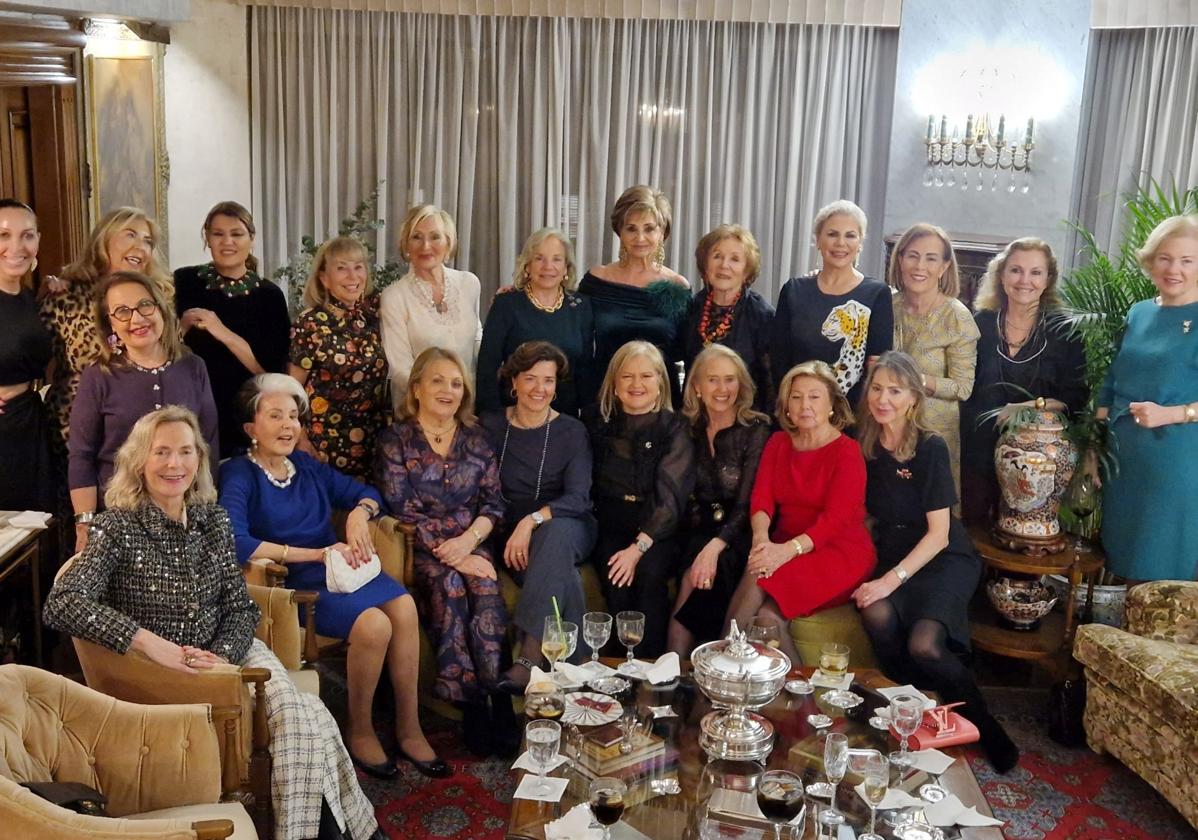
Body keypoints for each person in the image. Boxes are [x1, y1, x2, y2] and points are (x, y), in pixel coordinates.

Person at [43, 406, 382, 840]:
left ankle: (327, 832)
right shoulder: (116, 529)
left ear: (199, 461)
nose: (174, 464)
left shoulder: (213, 520)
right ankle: (353, 831)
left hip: (229, 652)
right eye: (161, 452)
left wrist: (222, 653)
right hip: (167, 671)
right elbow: (63, 602)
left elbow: (240, 608)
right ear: (139, 461)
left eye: (185, 452)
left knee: (307, 717)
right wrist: (149, 642)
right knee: (308, 717)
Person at [218, 373, 448, 779]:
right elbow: (237, 541)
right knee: (374, 624)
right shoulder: (239, 473)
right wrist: (317, 553)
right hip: (291, 584)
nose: (289, 425)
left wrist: (359, 515)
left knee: (405, 606)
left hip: (339, 571)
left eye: (294, 416)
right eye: (276, 416)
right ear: (251, 428)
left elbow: (370, 493)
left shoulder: (306, 466)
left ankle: (408, 726)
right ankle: (359, 730)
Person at [852, 351, 1018, 772]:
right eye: (876, 388)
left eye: (895, 390)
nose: (883, 398)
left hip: (942, 557)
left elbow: (940, 534)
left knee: (924, 645)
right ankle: (915, 711)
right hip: (893, 553)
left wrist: (890, 580)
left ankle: (985, 726)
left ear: (912, 398)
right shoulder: (862, 445)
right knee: (874, 614)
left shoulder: (930, 447)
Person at [374, 347, 510, 756]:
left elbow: (494, 504)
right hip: (420, 546)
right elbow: (402, 507)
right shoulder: (395, 440)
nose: (448, 390)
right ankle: (468, 704)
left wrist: (469, 544)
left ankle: (497, 694)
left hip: (471, 540)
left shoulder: (477, 439)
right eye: (437, 380)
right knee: (450, 583)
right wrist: (452, 554)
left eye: (456, 383)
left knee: (485, 586)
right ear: (416, 388)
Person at [725, 360, 875, 667]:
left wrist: (784, 552)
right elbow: (762, 498)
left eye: (814, 396)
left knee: (758, 575)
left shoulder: (847, 452)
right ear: (787, 406)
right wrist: (761, 539)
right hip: (783, 545)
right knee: (766, 617)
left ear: (832, 404)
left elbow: (834, 521)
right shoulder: (778, 442)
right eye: (796, 397)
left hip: (839, 552)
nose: (805, 405)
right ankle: (800, 705)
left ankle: (720, 665)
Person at [68, 271, 218, 552]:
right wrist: (85, 525)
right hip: (118, 521)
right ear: (109, 324)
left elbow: (207, 445)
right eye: (122, 312)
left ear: (161, 308)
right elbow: (81, 456)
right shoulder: (98, 376)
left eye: (145, 305)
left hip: (184, 517)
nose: (137, 319)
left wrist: (205, 515)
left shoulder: (193, 367)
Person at [478, 341, 597, 693]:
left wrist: (532, 521)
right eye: (530, 379)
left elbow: (578, 497)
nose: (540, 389)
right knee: (566, 578)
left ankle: (528, 658)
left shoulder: (572, 431)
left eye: (548, 380)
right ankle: (573, 673)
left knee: (555, 534)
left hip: (568, 523)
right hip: (507, 533)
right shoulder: (490, 426)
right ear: (513, 382)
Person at [1093, 215, 1198, 582]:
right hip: (1122, 460)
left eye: (1187, 260)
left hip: (1175, 463)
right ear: (1151, 260)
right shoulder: (1139, 312)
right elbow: (1112, 382)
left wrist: (1172, 414)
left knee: (1160, 572)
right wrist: (1095, 445)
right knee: (1117, 563)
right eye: (1166, 258)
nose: (1174, 269)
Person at [960, 238, 1087, 525]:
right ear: (1001, 275)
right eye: (1016, 270)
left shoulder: (1064, 331)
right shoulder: (980, 322)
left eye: (1035, 272)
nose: (1024, 280)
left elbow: (1075, 401)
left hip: (1034, 460)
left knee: (1020, 547)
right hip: (975, 452)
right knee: (973, 536)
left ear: (1048, 280)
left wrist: (1030, 406)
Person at [585, 340, 694, 658]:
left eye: (646, 376)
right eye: (627, 376)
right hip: (609, 524)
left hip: (659, 527)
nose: (637, 384)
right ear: (614, 384)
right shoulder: (595, 422)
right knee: (615, 580)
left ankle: (652, 681)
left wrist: (638, 547)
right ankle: (618, 675)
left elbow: (671, 501)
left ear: (660, 382)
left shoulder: (675, 427)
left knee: (649, 577)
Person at [40, 207, 173, 454]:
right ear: (104, 240)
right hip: (76, 432)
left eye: (148, 241)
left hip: (143, 428)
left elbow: (172, 359)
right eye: (130, 235)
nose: (141, 246)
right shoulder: (66, 295)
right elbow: (27, 354)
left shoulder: (159, 299)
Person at [667, 345, 771, 656]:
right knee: (690, 571)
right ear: (696, 386)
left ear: (741, 385)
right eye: (713, 380)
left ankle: (680, 674)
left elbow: (749, 502)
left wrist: (715, 546)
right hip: (698, 530)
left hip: (742, 532)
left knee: (696, 577)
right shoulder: (686, 428)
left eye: (730, 380)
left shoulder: (756, 429)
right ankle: (673, 675)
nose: (722, 389)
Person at [175, 201, 290, 459]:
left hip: (244, 411)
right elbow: (163, 349)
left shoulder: (269, 295)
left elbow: (269, 372)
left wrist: (222, 331)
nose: (227, 241)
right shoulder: (184, 281)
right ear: (207, 238)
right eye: (218, 234)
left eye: (236, 234)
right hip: (191, 405)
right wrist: (182, 325)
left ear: (251, 239)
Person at [770, 199, 892, 409]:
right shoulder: (793, 290)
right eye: (832, 234)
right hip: (799, 411)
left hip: (851, 415)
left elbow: (877, 367)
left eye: (850, 235)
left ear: (860, 243)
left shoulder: (877, 294)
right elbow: (779, 361)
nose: (840, 243)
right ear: (818, 240)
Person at [578, 185, 690, 406]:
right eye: (631, 228)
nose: (640, 237)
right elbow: (568, 323)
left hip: (660, 402)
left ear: (663, 232)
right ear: (619, 231)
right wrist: (524, 291)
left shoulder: (678, 286)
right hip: (605, 397)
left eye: (649, 228)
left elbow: (686, 350)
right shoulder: (596, 280)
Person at [289, 236, 389, 481]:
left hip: (374, 442)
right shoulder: (310, 322)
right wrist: (300, 438)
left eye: (358, 267)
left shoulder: (377, 314)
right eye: (341, 268)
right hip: (323, 445)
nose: (352, 276)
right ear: (324, 278)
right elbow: (291, 388)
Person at [890, 222, 979, 497]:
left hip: (933, 435)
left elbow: (963, 388)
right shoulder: (886, 304)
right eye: (913, 256)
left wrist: (915, 381)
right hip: (887, 430)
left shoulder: (957, 316)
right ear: (900, 259)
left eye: (931, 259)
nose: (920, 266)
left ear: (943, 268)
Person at [476, 228, 595, 416]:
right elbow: (487, 368)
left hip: (565, 420)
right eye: (539, 258)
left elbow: (585, 371)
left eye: (556, 259)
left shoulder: (581, 307)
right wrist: (490, 420)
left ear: (566, 267)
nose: (548, 266)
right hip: (514, 417)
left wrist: (588, 422)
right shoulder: (507, 304)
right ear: (527, 265)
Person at [380, 205, 482, 411]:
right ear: (406, 245)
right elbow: (400, 367)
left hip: (467, 408)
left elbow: (476, 344)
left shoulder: (469, 283)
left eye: (435, 237)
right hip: (418, 411)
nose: (426, 246)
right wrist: (438, 404)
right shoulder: (394, 296)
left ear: (448, 243)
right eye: (416, 237)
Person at [682, 224, 775, 412]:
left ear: (746, 270)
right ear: (705, 265)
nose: (724, 265)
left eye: (735, 259)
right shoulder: (691, 308)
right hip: (694, 415)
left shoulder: (761, 315)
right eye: (717, 256)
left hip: (746, 419)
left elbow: (770, 383)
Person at [0, 199, 54, 513]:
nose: (16, 246)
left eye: (27, 235)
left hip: (31, 424)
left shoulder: (29, 297)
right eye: (4, 235)